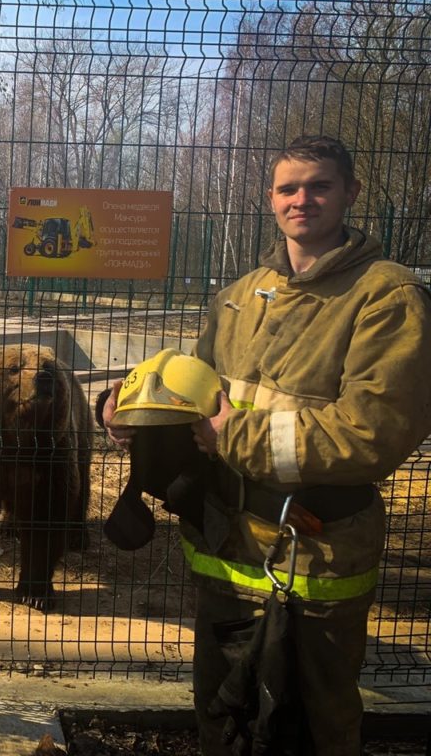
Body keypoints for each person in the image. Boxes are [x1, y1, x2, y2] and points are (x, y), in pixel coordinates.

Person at [101, 135, 431, 755]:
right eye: (287, 188)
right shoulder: (238, 295)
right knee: (222, 712)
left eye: (319, 185)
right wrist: (128, 415)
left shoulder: (387, 296)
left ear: (350, 193)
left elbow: (374, 432)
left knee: (315, 721)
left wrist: (236, 435)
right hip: (224, 546)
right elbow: (191, 394)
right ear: (271, 199)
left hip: (315, 555)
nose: (301, 199)